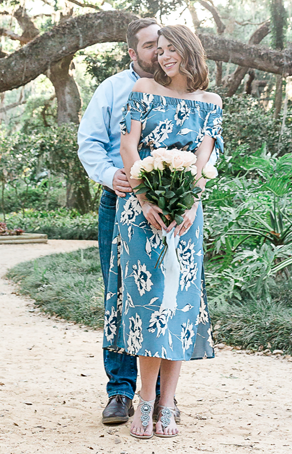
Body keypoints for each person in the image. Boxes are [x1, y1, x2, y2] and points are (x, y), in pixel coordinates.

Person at [104, 23, 223, 439]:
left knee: (179, 305)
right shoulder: (142, 90)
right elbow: (128, 147)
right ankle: (146, 400)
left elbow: (204, 159)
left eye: (173, 49)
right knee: (148, 303)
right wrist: (143, 199)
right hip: (141, 211)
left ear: (191, 51)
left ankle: (168, 404)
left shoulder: (211, 102)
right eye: (161, 50)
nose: (165, 56)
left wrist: (190, 202)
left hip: (187, 214)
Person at [77, 17, 161, 426]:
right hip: (120, 201)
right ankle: (120, 392)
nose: (158, 53)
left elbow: (204, 143)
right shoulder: (112, 89)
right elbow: (90, 142)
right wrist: (113, 176)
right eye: (149, 46)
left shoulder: (180, 89)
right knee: (120, 295)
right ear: (132, 52)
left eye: (162, 45)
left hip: (168, 209)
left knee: (162, 297)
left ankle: (159, 394)